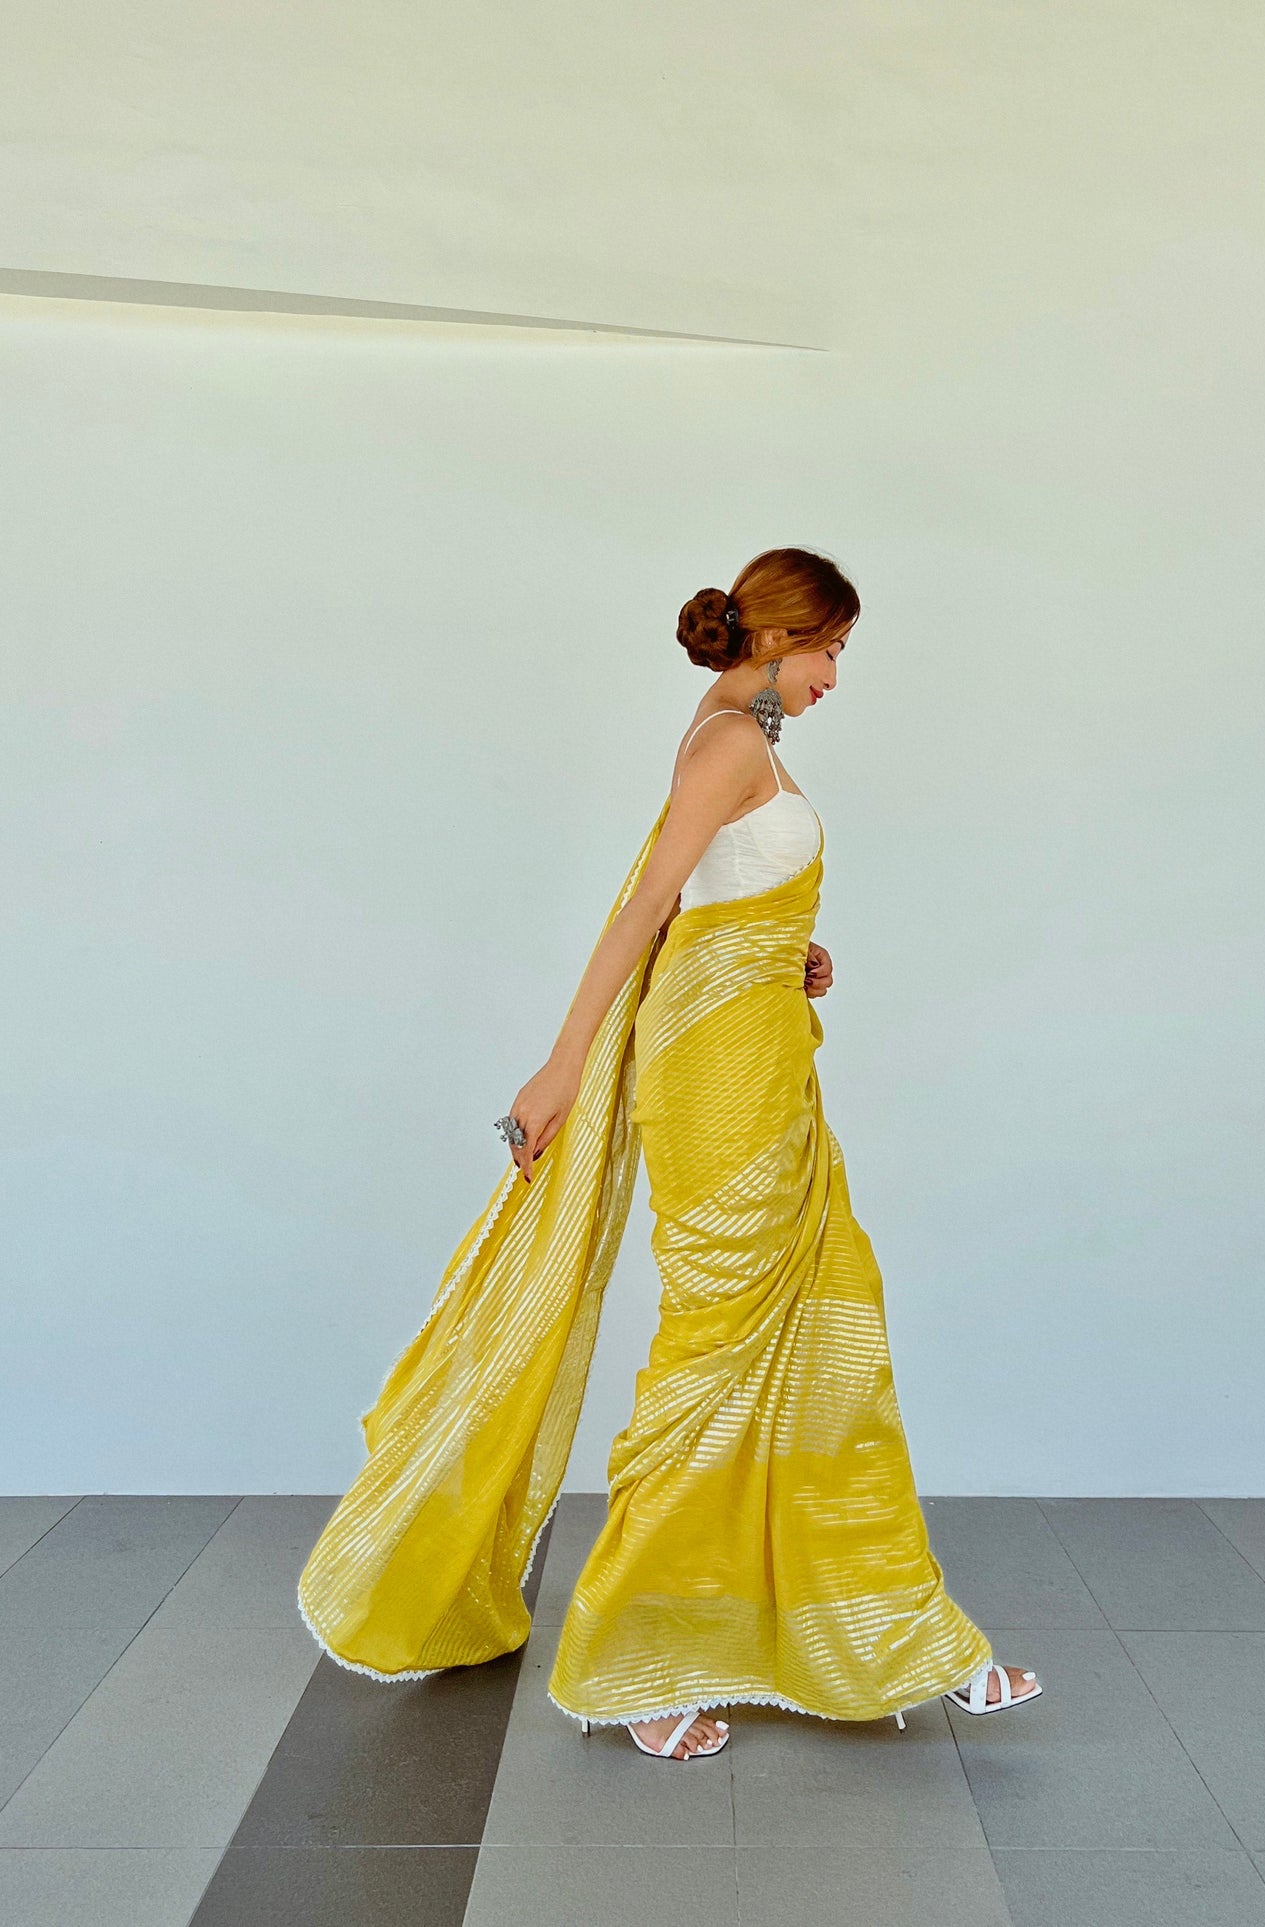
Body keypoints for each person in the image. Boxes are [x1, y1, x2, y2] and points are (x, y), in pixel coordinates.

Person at [296, 547, 1040, 1763]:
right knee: (714, 1351)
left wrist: (784, 949)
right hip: (717, 1090)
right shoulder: (729, 742)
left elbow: (710, 909)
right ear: (778, 638)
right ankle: (631, 1663)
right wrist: (558, 1066)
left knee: (820, 1338)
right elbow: (647, 906)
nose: (835, 675)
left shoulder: (738, 737)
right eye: (830, 649)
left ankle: (884, 1631)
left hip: (763, 1066)